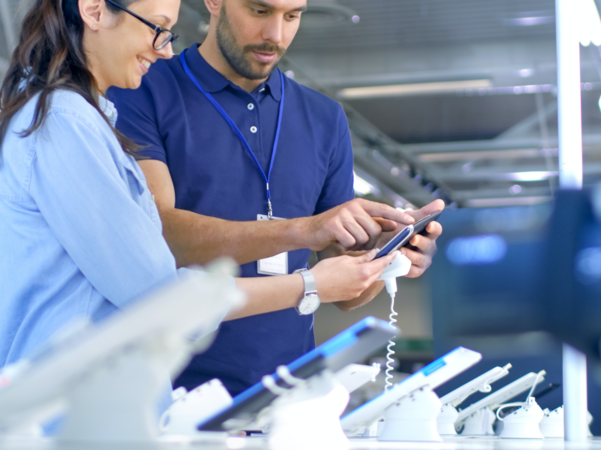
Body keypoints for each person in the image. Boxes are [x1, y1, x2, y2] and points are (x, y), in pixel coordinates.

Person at [0, 0, 398, 371]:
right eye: (156, 28)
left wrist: (383, 258)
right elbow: (158, 294)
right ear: (94, 10)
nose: (165, 50)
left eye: (293, 15)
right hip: (74, 410)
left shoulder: (86, 121)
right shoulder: (68, 123)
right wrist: (307, 281)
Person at [109, 0, 445, 396]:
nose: (276, 35)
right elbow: (161, 234)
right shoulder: (141, 87)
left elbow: (343, 291)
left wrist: (387, 258)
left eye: (292, 16)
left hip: (289, 395)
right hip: (172, 393)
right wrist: (304, 230)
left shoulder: (324, 117)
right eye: (259, 11)